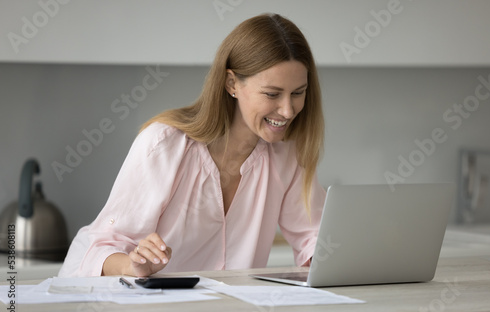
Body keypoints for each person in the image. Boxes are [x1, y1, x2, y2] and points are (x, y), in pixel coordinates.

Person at [58, 13, 326, 278]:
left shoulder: (287, 156)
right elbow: (99, 247)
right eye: (272, 94)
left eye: (298, 93)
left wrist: (329, 258)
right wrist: (133, 265)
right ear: (231, 83)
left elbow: (315, 237)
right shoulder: (164, 145)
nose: (288, 110)